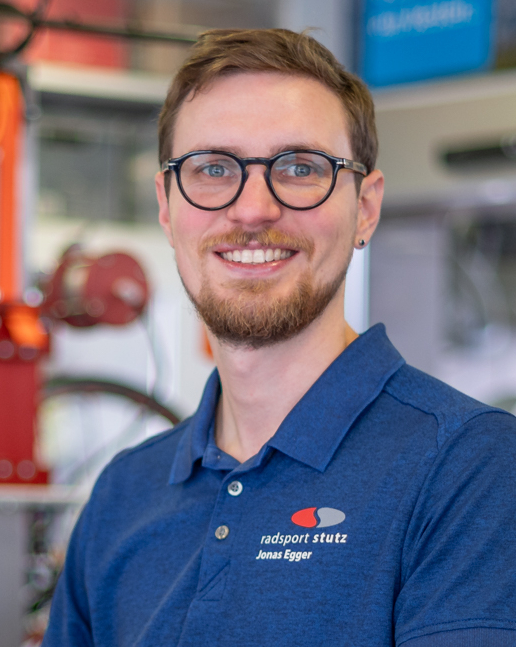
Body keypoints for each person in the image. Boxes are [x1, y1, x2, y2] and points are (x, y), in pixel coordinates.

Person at [42, 29, 516, 647]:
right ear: (166, 206)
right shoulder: (123, 494)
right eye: (213, 169)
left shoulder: (470, 467)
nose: (252, 209)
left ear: (365, 207)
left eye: (299, 168)